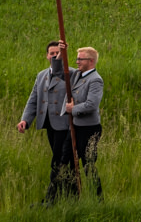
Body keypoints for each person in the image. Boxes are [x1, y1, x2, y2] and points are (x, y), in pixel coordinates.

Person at [18, 41, 83, 204]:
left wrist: (61, 54)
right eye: (52, 53)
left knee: (59, 161)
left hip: (65, 125)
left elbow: (59, 71)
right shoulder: (41, 75)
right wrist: (25, 120)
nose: (54, 56)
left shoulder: (70, 73)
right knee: (63, 161)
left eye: (57, 53)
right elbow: (33, 99)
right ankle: (71, 197)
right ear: (46, 55)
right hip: (49, 124)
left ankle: (51, 199)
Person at [68, 47, 103, 198]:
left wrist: (73, 109)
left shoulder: (95, 80)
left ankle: (97, 198)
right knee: (68, 162)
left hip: (89, 129)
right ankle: (71, 196)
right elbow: (61, 69)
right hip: (76, 126)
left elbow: (91, 105)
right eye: (77, 58)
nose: (77, 62)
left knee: (88, 165)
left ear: (91, 61)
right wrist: (61, 51)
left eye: (80, 59)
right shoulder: (78, 74)